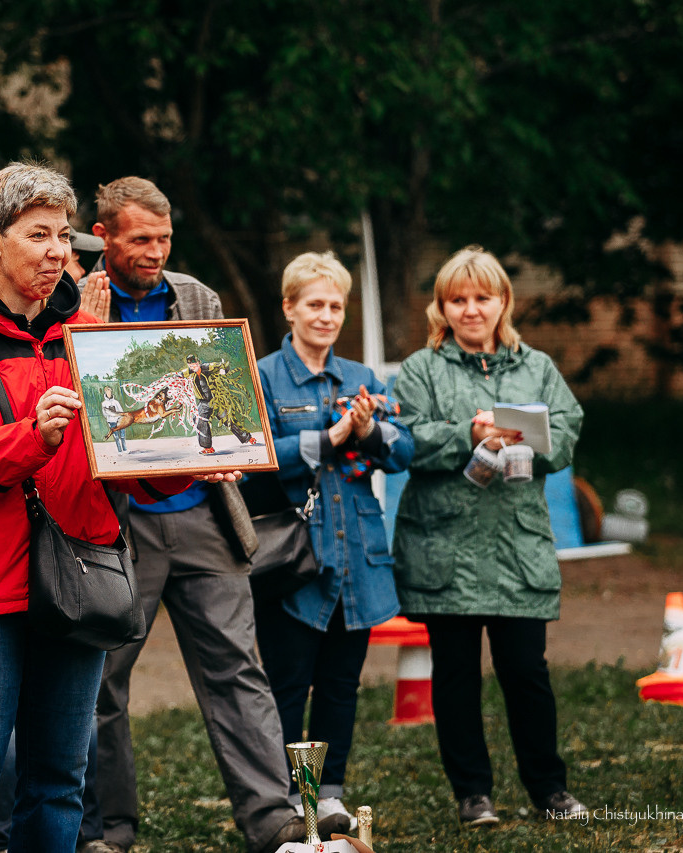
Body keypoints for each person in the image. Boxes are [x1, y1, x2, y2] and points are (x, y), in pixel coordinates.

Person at [0, 162, 213, 852]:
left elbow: (127, 458)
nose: (57, 251)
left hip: (82, 580)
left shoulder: (95, 337)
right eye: (38, 234)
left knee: (60, 779)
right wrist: (31, 437)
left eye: (63, 236)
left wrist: (189, 457)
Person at [76, 177, 303, 853]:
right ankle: (107, 828)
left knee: (238, 667)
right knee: (101, 681)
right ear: (106, 234)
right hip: (118, 526)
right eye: (139, 238)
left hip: (205, 513)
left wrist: (238, 441)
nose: (154, 251)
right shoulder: (74, 297)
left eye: (163, 238)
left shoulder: (196, 295)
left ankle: (274, 816)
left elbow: (232, 391)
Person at [391, 245, 587, 827]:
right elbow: (407, 440)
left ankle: (549, 788)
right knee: (454, 676)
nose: (471, 309)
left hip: (516, 546)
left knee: (527, 673)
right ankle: (473, 793)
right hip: (444, 547)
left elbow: (569, 432)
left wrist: (529, 437)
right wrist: (466, 433)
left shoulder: (538, 366)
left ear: (504, 301)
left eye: (482, 297)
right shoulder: (421, 369)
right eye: (458, 299)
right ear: (441, 308)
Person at [252, 251, 414, 834]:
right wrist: (327, 438)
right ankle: (285, 798)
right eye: (314, 304)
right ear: (289, 308)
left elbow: (403, 452)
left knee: (342, 686)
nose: (326, 316)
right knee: (287, 685)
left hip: (358, 559)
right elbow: (255, 463)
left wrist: (370, 430)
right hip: (296, 559)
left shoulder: (362, 378)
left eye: (336, 306)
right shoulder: (263, 376)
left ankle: (328, 795)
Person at [179, 353, 257, 454]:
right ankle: (207, 447)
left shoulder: (207, 368)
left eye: (194, 364)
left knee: (228, 420)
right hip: (204, 402)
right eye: (190, 366)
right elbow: (179, 375)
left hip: (216, 400)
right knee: (199, 418)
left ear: (198, 362)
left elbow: (223, 369)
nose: (193, 367)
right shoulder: (190, 373)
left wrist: (223, 367)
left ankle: (247, 438)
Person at [99, 385, 127, 453]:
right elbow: (105, 414)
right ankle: (120, 451)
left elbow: (121, 410)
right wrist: (110, 415)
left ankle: (125, 449)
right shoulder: (104, 404)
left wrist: (119, 416)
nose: (109, 392)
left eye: (110, 391)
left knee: (122, 435)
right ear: (105, 392)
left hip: (119, 421)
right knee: (116, 437)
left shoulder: (116, 402)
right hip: (111, 422)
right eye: (108, 391)